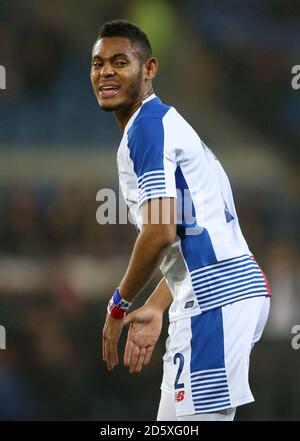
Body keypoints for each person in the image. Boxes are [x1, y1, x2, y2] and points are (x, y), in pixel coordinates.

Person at [90, 20, 271, 421]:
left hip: (216, 300)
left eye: (120, 62)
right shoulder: (168, 125)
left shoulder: (148, 130)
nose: (105, 72)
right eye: (98, 63)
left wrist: (118, 306)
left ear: (149, 68)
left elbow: (159, 233)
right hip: (218, 293)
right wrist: (157, 304)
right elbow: (189, 231)